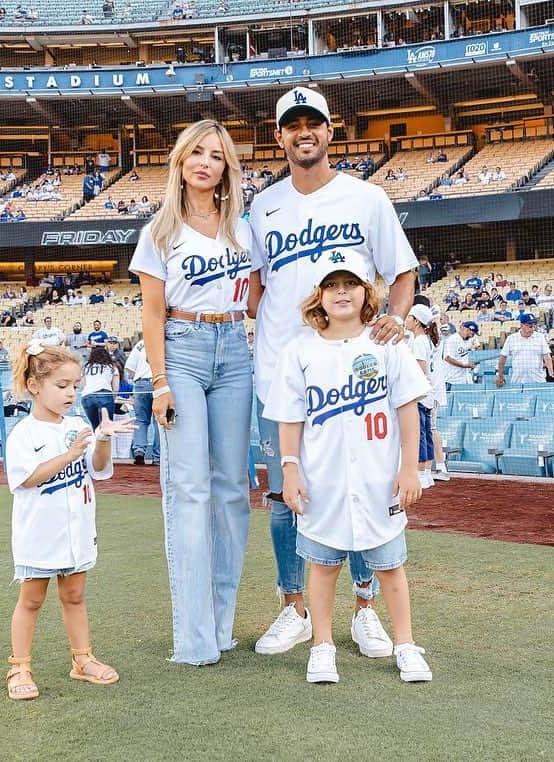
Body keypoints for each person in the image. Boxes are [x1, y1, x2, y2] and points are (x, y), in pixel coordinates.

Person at [247, 86, 418, 658]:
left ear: (329, 130)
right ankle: (293, 607)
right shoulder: (263, 206)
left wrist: (394, 322)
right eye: (291, 125)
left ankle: (365, 607)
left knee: (367, 484)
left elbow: (401, 273)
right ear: (279, 136)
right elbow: (256, 288)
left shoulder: (366, 198)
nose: (303, 132)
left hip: (357, 367)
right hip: (281, 369)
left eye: (312, 123)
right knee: (286, 493)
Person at [264, 250, 432, 684]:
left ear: (366, 292)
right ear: (318, 296)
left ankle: (406, 645)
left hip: (379, 478)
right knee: (322, 567)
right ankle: (322, 646)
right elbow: (290, 417)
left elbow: (407, 408)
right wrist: (290, 469)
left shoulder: (387, 343)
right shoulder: (299, 350)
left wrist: (409, 467)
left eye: (351, 284)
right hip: (323, 479)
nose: (342, 293)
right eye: (333, 286)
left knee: (390, 567)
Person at [130, 119, 255, 666]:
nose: (206, 162)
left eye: (217, 155)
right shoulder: (159, 231)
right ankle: (194, 638)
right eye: (197, 153)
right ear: (180, 162)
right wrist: (159, 383)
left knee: (231, 490)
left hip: (235, 348)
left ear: (227, 168)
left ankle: (222, 625)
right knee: (190, 491)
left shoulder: (242, 230)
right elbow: (152, 315)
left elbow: (256, 301)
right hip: (181, 348)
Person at [3, 340, 135, 701]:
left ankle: (82, 660)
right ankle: (20, 667)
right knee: (31, 600)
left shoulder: (78, 423)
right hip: (39, 534)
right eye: (61, 386)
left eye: (75, 386)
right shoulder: (23, 434)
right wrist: (70, 453)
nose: (70, 393)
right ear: (34, 386)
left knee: (75, 596)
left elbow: (97, 468)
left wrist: (103, 439)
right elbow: (26, 478)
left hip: (78, 529)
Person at [405, 304, 439, 489]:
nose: (407, 320)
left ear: (417, 321)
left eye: (410, 317)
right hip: (426, 392)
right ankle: (426, 471)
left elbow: (420, 367)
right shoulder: (424, 339)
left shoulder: (419, 341)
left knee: (418, 433)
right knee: (425, 432)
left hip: (418, 392)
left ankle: (421, 472)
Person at [124, 338, 160, 466]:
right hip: (159, 382)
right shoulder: (167, 340)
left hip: (141, 383)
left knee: (140, 420)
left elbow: (128, 367)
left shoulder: (140, 344)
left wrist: (138, 380)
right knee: (159, 422)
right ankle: (158, 457)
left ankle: (139, 450)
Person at [496, 314, 553, 386]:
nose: (532, 329)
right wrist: (500, 375)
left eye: (534, 326)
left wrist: (551, 374)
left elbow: (547, 357)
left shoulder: (540, 337)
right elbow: (503, 358)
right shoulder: (511, 338)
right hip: (517, 382)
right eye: (530, 326)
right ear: (521, 325)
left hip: (538, 381)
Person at [79, 346, 121, 430]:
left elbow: (83, 385)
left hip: (87, 396)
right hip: (104, 394)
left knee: (96, 428)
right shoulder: (112, 367)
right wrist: (113, 398)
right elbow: (115, 387)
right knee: (107, 428)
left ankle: (96, 442)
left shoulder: (86, 368)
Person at [442, 321, 478, 385]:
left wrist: (469, 365)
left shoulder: (466, 340)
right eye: (472, 334)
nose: (472, 336)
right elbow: (448, 358)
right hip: (452, 380)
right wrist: (464, 365)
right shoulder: (452, 339)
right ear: (467, 330)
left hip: (463, 379)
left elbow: (461, 357)